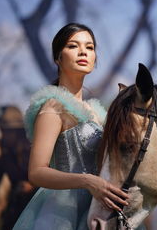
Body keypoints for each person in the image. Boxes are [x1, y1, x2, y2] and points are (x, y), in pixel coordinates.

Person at [13, 23, 129, 230]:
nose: (83, 51)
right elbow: (36, 172)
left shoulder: (96, 112)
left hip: (99, 207)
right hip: (62, 212)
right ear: (58, 57)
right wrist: (88, 182)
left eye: (90, 47)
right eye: (73, 46)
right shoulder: (53, 106)